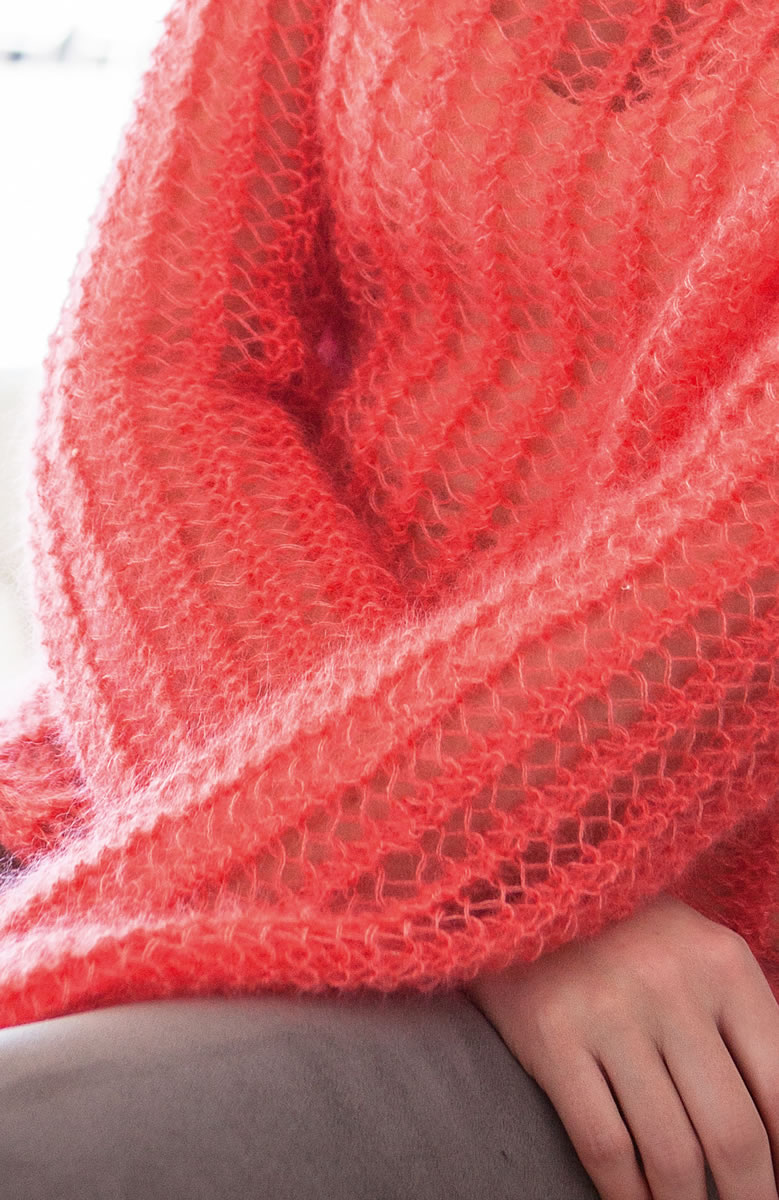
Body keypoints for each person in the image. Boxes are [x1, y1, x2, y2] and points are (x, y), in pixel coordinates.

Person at [0, 2, 776, 1197]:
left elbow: (741, 582)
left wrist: (492, 883)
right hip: (172, 761)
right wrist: (491, 902)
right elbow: (154, 375)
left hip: (692, 988)